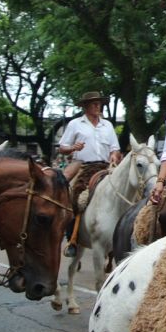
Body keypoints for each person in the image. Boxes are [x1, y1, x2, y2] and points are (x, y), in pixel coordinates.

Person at [58, 91, 121, 257]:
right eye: (93, 103)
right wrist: (73, 148)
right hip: (84, 167)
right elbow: (62, 147)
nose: (97, 106)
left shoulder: (107, 125)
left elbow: (115, 147)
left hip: (106, 167)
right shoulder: (75, 124)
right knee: (76, 197)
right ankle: (72, 238)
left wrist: (114, 154)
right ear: (85, 106)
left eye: (99, 103)